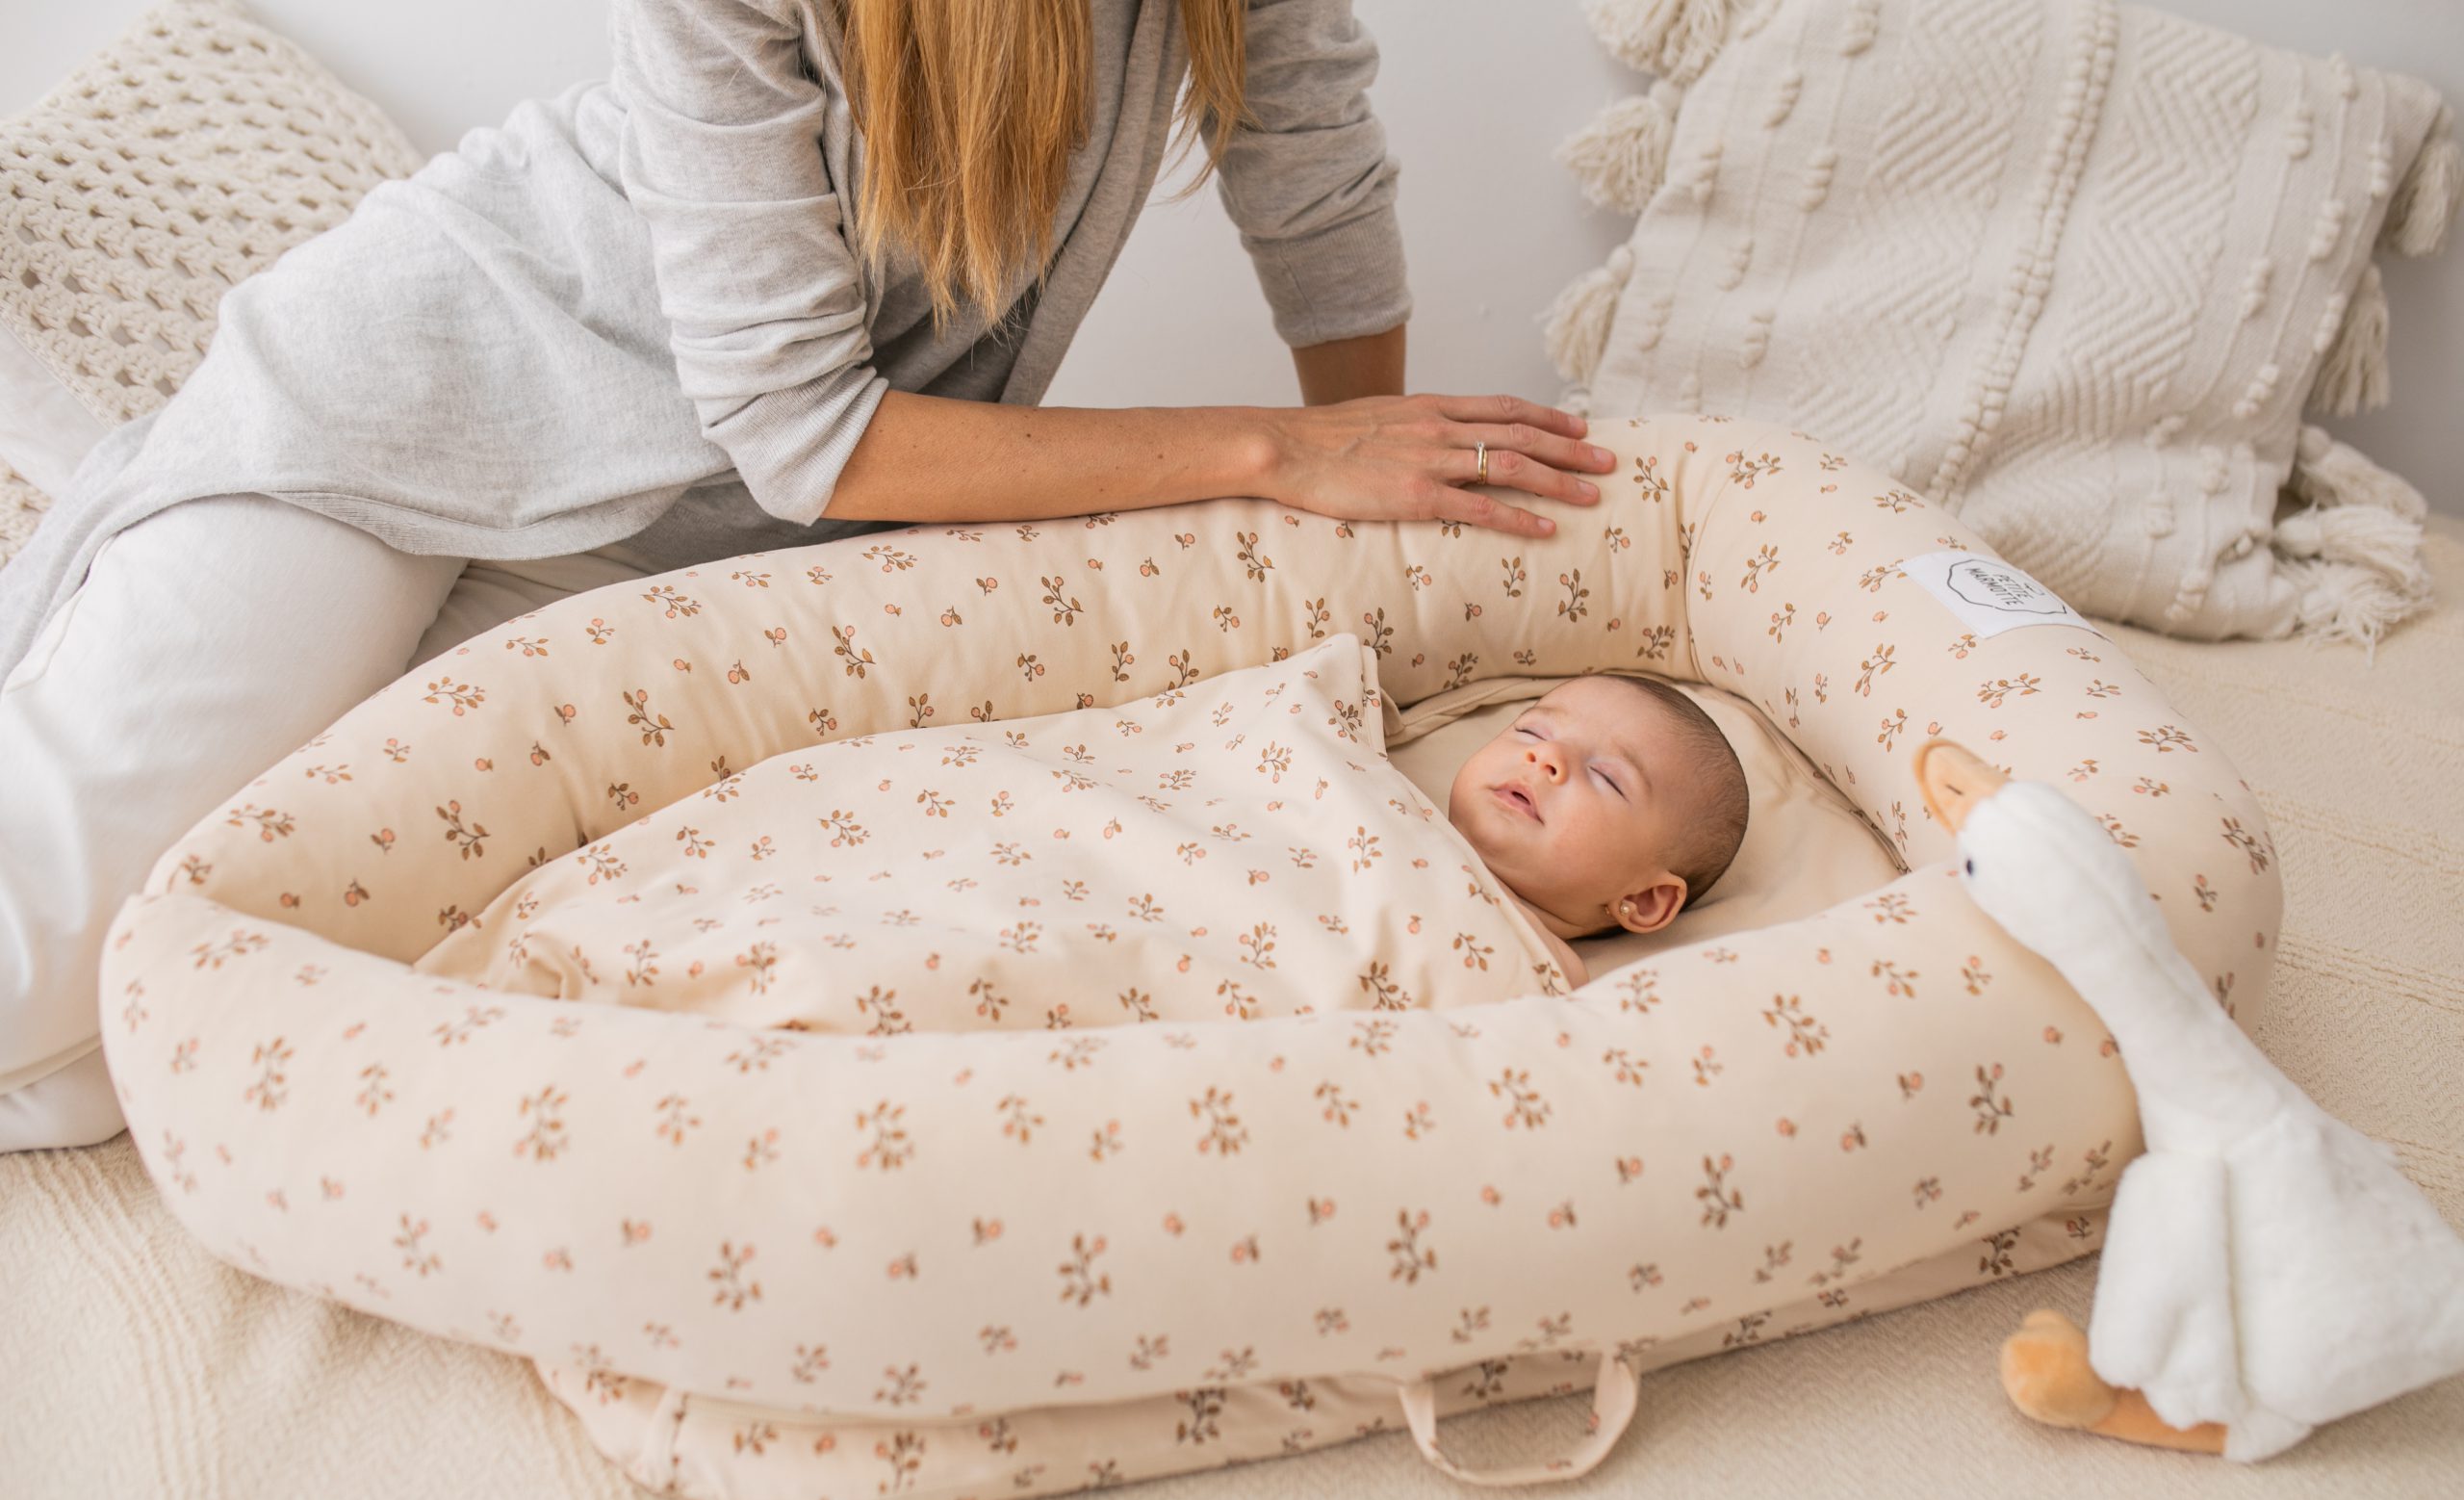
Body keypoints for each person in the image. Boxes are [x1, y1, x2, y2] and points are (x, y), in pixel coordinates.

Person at [0, 0, 1617, 1151]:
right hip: (409, 424)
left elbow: (1316, 177)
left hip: (686, 554)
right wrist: (1278, 458)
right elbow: (806, 432)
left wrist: (1383, 526)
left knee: (115, 1059)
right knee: (35, 967)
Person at [1446, 674, 1751, 987]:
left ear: (1644, 899)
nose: (1548, 754)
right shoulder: (1395, 789)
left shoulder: (1541, 972)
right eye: (1532, 732)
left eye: (1606, 777)